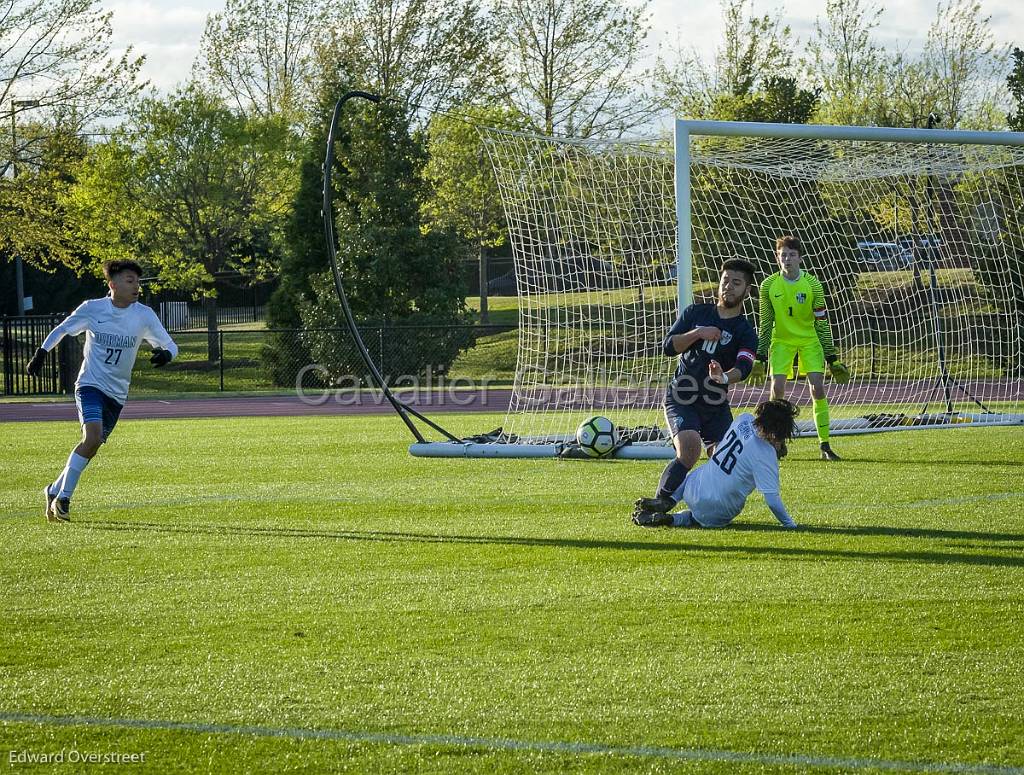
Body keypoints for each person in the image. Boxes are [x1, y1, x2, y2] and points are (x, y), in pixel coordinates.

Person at [25, 260, 178, 522]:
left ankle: (52, 490)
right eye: (130, 281)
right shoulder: (93, 309)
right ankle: (63, 501)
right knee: (92, 437)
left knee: (92, 446)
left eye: (138, 282)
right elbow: (63, 329)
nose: (136, 286)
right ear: (112, 285)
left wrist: (166, 355)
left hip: (117, 395)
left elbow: (171, 345)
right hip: (89, 385)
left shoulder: (144, 315)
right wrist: (41, 352)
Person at [632, 258, 759, 522]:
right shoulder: (696, 314)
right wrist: (698, 333)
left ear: (747, 290)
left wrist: (723, 376)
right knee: (689, 449)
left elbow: (744, 367)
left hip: (715, 405)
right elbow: (669, 346)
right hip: (683, 396)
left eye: (736, 283)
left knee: (727, 464)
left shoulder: (745, 331)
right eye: (726, 281)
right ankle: (662, 501)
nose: (729, 287)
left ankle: (692, 517)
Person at [752, 235, 850, 461]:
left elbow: (822, 322)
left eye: (792, 255)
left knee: (817, 387)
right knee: (777, 390)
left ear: (800, 258)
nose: (787, 259)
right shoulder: (768, 285)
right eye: (783, 255)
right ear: (777, 258)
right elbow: (766, 323)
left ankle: (824, 445)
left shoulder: (813, 284)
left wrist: (832, 358)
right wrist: (760, 356)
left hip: (809, 340)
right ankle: (777, 441)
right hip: (782, 342)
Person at [633, 399, 800, 529]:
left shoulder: (744, 418)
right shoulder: (766, 455)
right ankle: (674, 519)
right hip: (719, 509)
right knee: (695, 519)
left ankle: (670, 500)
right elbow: (772, 500)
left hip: (695, 486)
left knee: (697, 472)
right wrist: (789, 524)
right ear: (779, 432)